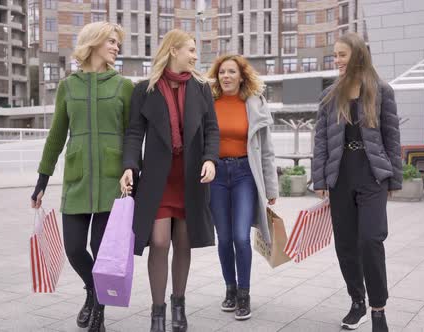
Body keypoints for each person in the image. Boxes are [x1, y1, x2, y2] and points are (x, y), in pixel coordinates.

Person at [30, 21, 134, 332]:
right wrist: (42, 181)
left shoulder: (123, 86)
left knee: (102, 251)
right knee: (74, 248)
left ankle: (99, 315)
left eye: (118, 43)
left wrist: (132, 170)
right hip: (77, 179)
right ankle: (92, 290)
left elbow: (132, 134)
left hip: (112, 181)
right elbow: (56, 136)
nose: (116, 47)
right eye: (111, 42)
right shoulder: (68, 86)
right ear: (94, 43)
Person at [120, 29, 220, 332]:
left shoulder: (201, 88)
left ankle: (179, 305)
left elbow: (212, 130)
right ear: (173, 50)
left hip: (191, 177)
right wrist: (129, 166)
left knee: (183, 242)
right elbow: (135, 132)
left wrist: (209, 159)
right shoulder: (145, 89)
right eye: (190, 50)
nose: (194, 55)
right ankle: (157, 311)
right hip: (158, 178)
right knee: (160, 241)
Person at [312, 32, 402, 332]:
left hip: (372, 174)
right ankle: (357, 301)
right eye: (334, 55)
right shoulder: (329, 95)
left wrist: (395, 181)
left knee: (371, 239)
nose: (336, 60)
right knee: (346, 244)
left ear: (358, 55)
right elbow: (321, 141)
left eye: (341, 55)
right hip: (340, 176)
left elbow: (392, 137)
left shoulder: (381, 90)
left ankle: (378, 309)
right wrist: (320, 179)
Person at [206, 55, 278, 320]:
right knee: (223, 238)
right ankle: (230, 289)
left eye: (231, 72)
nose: (226, 76)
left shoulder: (255, 104)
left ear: (241, 76)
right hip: (216, 176)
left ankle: (244, 294)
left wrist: (271, 188)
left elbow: (267, 151)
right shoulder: (209, 103)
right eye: (222, 72)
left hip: (245, 174)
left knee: (240, 236)